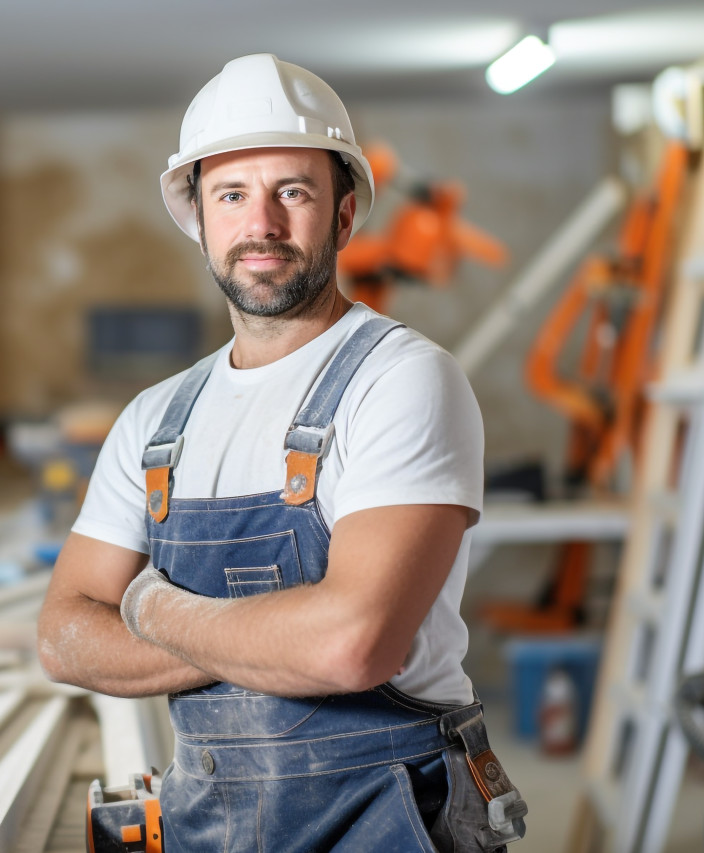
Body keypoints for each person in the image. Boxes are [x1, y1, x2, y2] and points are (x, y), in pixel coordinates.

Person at [37, 53, 525, 852]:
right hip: (209, 822)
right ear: (199, 219)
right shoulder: (155, 420)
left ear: (342, 215)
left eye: (291, 192)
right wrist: (271, 643)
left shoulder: (403, 381)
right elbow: (62, 634)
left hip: (392, 816)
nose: (260, 224)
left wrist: (153, 607)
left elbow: (352, 643)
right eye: (232, 194)